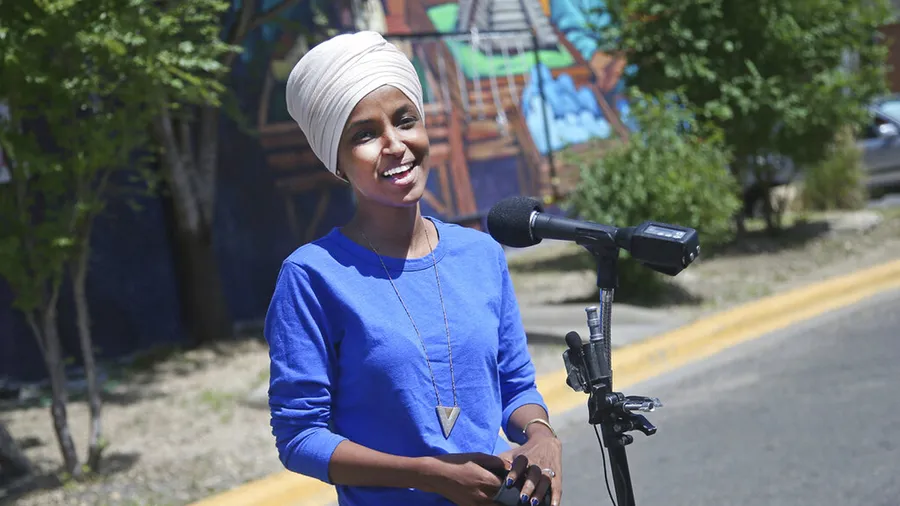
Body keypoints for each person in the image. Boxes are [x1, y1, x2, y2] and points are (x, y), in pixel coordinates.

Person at [265, 30, 563, 506]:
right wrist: (427, 474)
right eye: (364, 134)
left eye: (405, 121)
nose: (394, 144)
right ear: (337, 161)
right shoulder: (312, 277)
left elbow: (515, 385)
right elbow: (300, 437)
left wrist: (541, 434)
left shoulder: (481, 253)